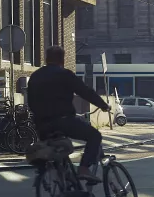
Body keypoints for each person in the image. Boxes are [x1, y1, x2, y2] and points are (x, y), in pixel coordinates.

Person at [27, 46, 110, 183]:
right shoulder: (64, 74)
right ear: (62, 60)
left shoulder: (35, 76)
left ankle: (64, 183)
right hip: (63, 121)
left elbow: (30, 101)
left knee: (59, 150)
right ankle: (84, 168)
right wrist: (103, 105)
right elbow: (85, 91)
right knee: (95, 136)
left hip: (42, 125)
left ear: (47, 59)